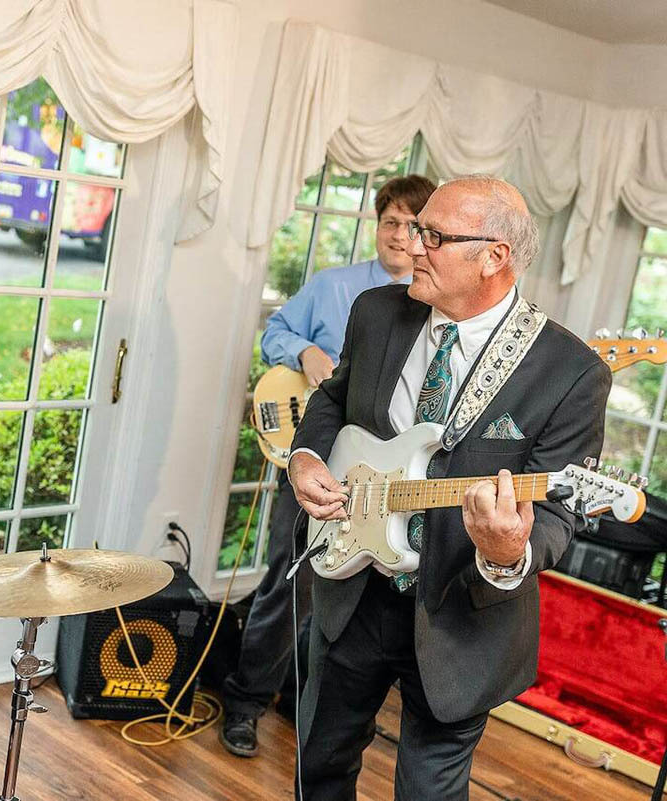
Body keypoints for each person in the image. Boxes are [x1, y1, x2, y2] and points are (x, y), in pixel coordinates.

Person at [288, 175, 609, 799]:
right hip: (351, 587)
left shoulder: (570, 373)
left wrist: (507, 550)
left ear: (495, 257)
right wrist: (305, 456)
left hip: (462, 617)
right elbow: (333, 398)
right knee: (318, 769)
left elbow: (555, 517)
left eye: (433, 235)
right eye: (413, 230)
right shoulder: (377, 312)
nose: (411, 245)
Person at [220, 175, 436, 757]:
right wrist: (305, 351)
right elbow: (276, 333)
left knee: (348, 596)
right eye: (390, 221)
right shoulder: (335, 287)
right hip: (314, 463)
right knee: (290, 585)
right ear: (377, 225)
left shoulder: (437, 312)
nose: (400, 235)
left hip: (380, 480)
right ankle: (243, 702)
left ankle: (302, 701)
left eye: (413, 225)